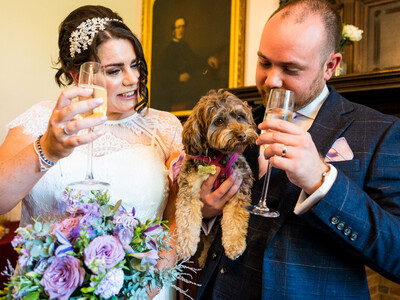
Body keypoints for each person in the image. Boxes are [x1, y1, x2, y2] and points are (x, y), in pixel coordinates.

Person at [196, 0, 400, 298]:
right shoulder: (237, 118)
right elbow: (203, 176)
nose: (271, 80)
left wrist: (323, 182)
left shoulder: (379, 131)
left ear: (330, 65)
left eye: (291, 68)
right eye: (264, 62)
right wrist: (206, 210)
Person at [0, 5, 182, 300]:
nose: (132, 79)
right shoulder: (38, 121)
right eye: (114, 70)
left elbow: (178, 216)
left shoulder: (164, 128)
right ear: (77, 75)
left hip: (144, 290)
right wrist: (46, 149)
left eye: (135, 65)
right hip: (49, 291)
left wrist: (153, 278)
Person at [151, 17, 222, 111]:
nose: (181, 30)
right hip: (173, 88)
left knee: (207, 84)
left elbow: (195, 61)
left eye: (183, 27)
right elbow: (161, 74)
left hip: (187, 85)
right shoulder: (167, 51)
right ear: (173, 31)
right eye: (178, 27)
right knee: (200, 88)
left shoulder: (185, 46)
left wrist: (208, 60)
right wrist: (178, 77)